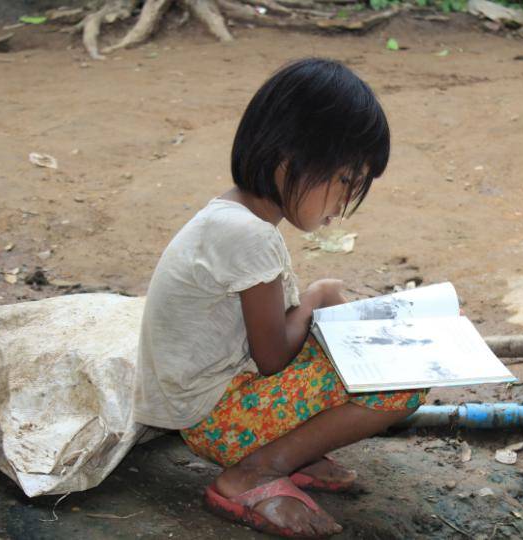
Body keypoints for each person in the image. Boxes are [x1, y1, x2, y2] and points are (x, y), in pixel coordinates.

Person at [133, 57, 428, 538]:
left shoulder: (232, 218)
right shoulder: (249, 236)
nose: (343, 207)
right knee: (402, 381)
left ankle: (294, 451)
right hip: (217, 418)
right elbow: (271, 357)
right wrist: (314, 296)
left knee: (354, 351)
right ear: (290, 160)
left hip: (211, 398)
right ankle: (255, 470)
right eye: (345, 183)